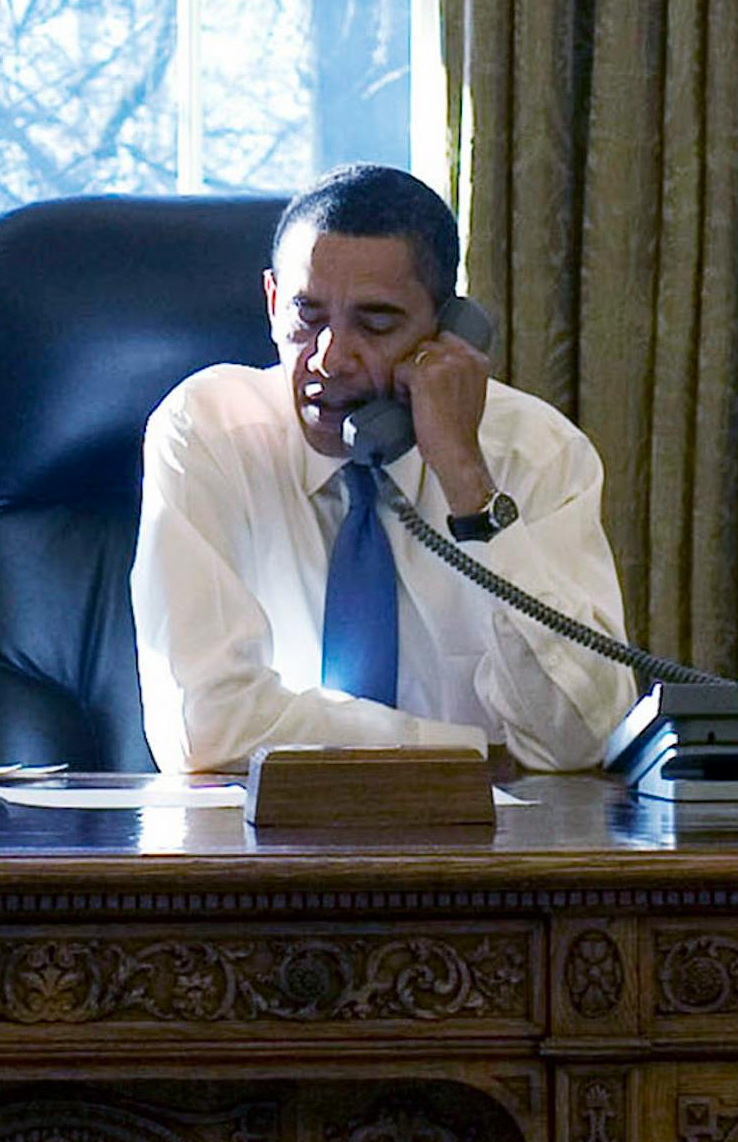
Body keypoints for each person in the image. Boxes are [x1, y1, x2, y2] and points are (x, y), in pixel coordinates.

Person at [132, 164, 631, 776]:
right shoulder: (208, 432)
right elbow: (204, 726)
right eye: (306, 315)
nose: (329, 357)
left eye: (375, 323)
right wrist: (463, 750)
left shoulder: (536, 453)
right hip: (262, 857)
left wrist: (466, 477)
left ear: (447, 329)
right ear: (270, 303)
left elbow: (579, 736)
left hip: (487, 861)